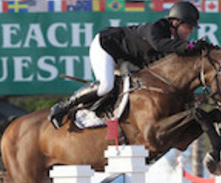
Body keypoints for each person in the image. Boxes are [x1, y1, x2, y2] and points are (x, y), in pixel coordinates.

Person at [48, 1, 206, 129]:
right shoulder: (156, 29)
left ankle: (102, 113)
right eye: (189, 27)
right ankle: (64, 106)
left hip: (125, 60)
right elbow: (159, 45)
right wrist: (190, 46)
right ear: (176, 22)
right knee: (106, 86)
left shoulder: (171, 41)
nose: (191, 31)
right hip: (106, 46)